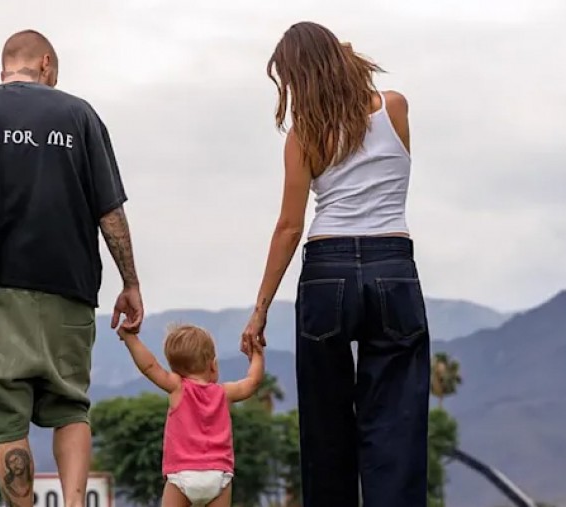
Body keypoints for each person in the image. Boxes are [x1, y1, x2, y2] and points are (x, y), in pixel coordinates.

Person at [0, 29, 143, 507]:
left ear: (5, 66)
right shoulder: (78, 115)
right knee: (71, 407)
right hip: (71, 289)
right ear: (46, 63)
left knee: (6, 421)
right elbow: (110, 211)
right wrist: (130, 282)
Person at [241, 22, 430, 507]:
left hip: (328, 271)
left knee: (325, 424)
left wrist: (260, 310)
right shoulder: (395, 108)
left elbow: (289, 227)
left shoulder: (303, 135)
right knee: (397, 421)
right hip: (392, 265)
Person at [117, 322, 265, 506]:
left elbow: (149, 366)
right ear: (213, 366)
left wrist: (130, 338)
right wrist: (257, 354)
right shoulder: (224, 393)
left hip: (182, 472)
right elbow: (252, 382)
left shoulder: (177, 388)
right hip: (218, 473)